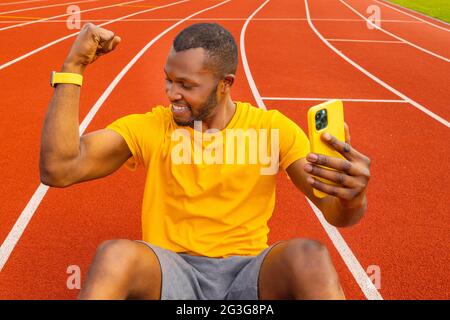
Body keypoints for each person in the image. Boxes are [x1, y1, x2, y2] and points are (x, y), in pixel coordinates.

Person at [40, 22, 371, 300]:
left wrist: (351, 196)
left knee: (309, 256)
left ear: (225, 84)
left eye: (186, 85)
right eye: (169, 80)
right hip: (174, 273)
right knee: (115, 255)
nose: (172, 93)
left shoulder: (272, 128)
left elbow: (336, 213)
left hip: (248, 275)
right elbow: (60, 169)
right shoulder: (153, 126)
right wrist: (73, 68)